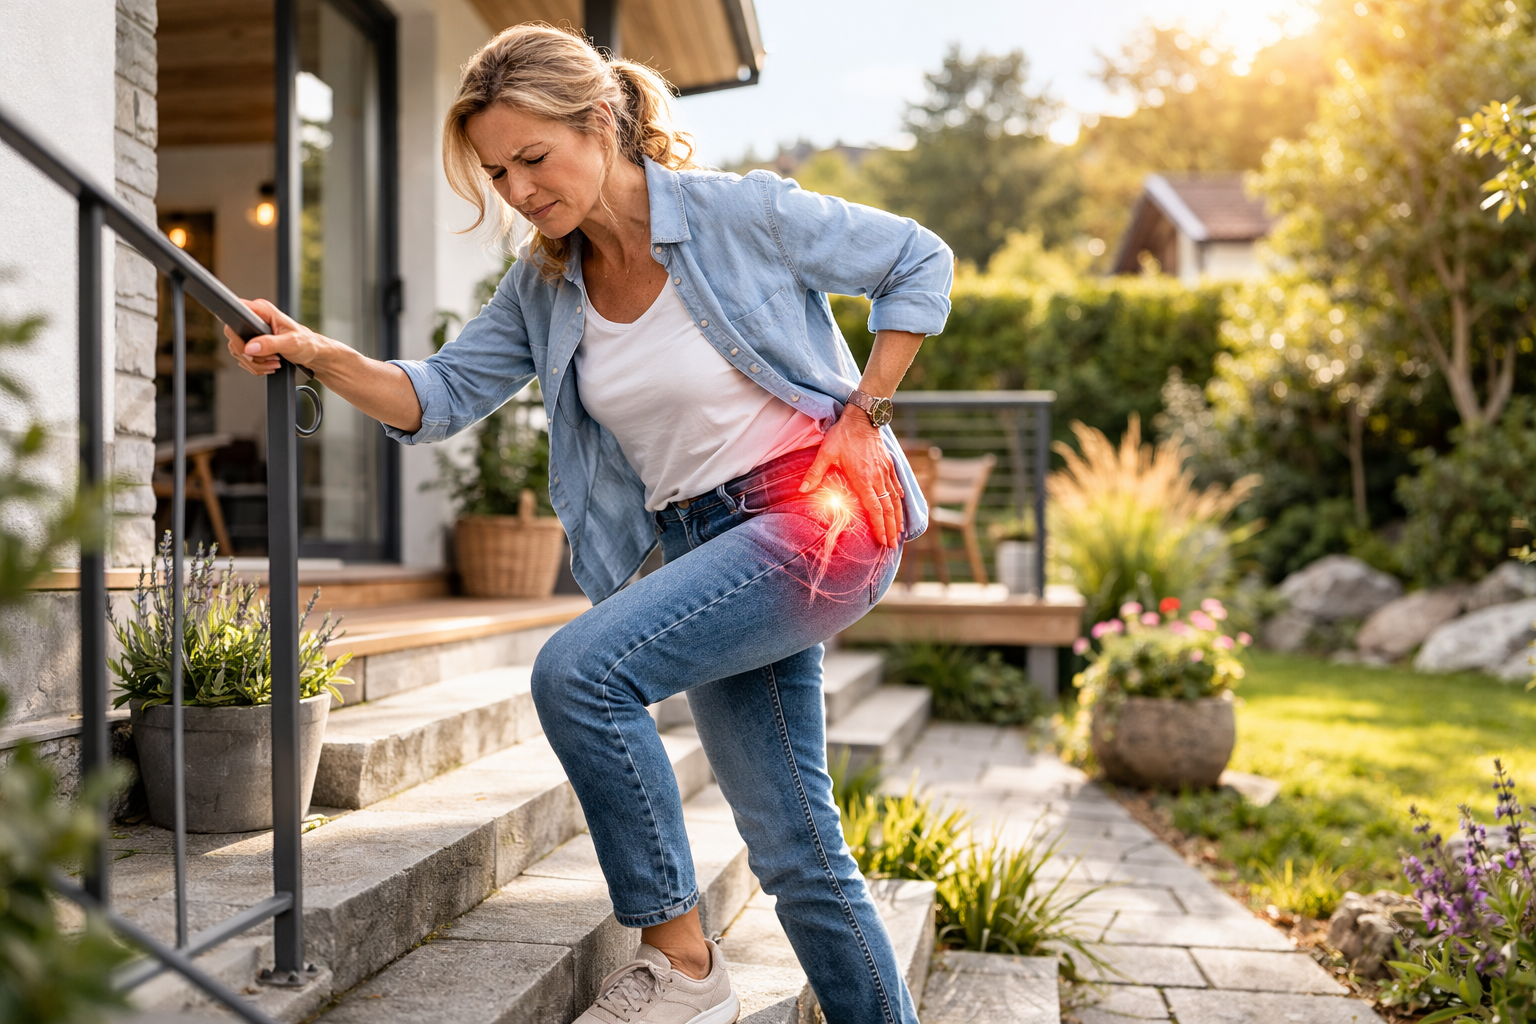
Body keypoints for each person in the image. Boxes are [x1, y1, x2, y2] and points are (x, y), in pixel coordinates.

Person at [225, 24, 951, 1024]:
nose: (518, 190)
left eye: (534, 157)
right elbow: (437, 395)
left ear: (600, 121)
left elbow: (917, 260)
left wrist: (865, 412)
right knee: (797, 851)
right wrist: (321, 355)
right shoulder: (545, 287)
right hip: (707, 546)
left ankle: (682, 962)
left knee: (582, 671)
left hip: (817, 516)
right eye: (497, 170)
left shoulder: (740, 213)